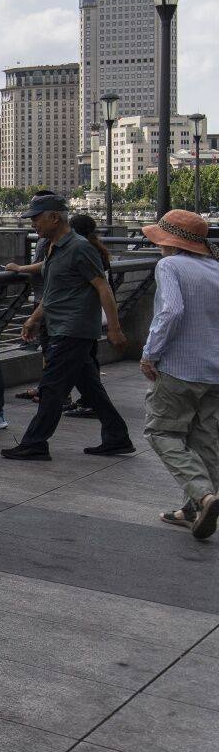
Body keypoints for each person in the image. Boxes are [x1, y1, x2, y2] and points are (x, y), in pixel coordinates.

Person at [2, 194, 133, 460]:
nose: (33, 224)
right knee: (90, 388)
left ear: (54, 217)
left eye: (36, 218)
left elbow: (103, 287)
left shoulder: (80, 248)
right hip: (59, 325)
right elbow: (54, 292)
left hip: (73, 329)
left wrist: (115, 328)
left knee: (51, 387)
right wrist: (34, 318)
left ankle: (35, 443)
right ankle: (118, 438)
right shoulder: (53, 247)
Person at [138, 211, 219, 537]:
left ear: (169, 242)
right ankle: (191, 510)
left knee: (162, 434)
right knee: (205, 441)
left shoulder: (169, 266)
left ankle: (203, 495)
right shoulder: (216, 269)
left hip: (178, 369)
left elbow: (171, 311)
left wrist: (149, 354)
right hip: (213, 372)